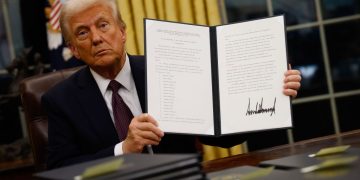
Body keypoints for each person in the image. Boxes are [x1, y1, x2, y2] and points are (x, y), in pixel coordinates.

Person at [42, 0, 301, 169]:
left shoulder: (168, 68)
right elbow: (61, 169)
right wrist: (124, 148)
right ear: (74, 49)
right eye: (83, 33)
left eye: (103, 25)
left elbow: (221, 134)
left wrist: (272, 94)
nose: (97, 38)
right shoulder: (60, 100)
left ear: (122, 32)